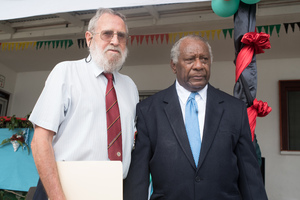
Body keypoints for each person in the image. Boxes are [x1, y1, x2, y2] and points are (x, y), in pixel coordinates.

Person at [124, 35, 268, 200]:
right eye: (190, 60)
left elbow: (250, 177)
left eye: (204, 59)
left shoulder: (234, 109)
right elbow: (138, 178)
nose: (199, 66)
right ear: (174, 65)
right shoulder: (149, 111)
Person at [29, 8, 139, 200]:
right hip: (63, 189)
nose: (115, 41)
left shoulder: (130, 87)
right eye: (107, 34)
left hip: (114, 190)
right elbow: (40, 141)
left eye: (121, 36)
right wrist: (57, 196)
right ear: (89, 38)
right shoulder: (66, 72)